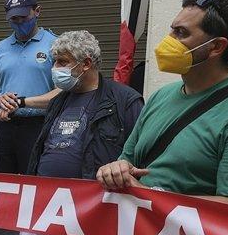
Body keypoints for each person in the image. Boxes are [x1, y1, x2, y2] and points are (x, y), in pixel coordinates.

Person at [97, 0, 228, 208]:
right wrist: (114, 171)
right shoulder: (161, 97)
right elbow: (127, 160)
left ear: (216, 47)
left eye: (181, 33)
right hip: (138, 228)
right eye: (172, 30)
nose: (168, 40)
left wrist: (150, 197)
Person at [26, 30, 144, 178]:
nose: (55, 68)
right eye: (55, 61)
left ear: (86, 64)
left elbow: (140, 154)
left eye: (62, 62)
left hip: (96, 191)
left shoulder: (124, 100)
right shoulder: (57, 101)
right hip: (47, 189)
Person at [0, 0, 60, 174]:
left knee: (35, 180)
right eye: (14, 19)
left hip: (40, 125)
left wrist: (20, 102)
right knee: (0, 181)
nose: (19, 22)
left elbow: (62, 92)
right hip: (3, 126)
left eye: (23, 17)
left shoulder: (55, 45)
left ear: (37, 11)